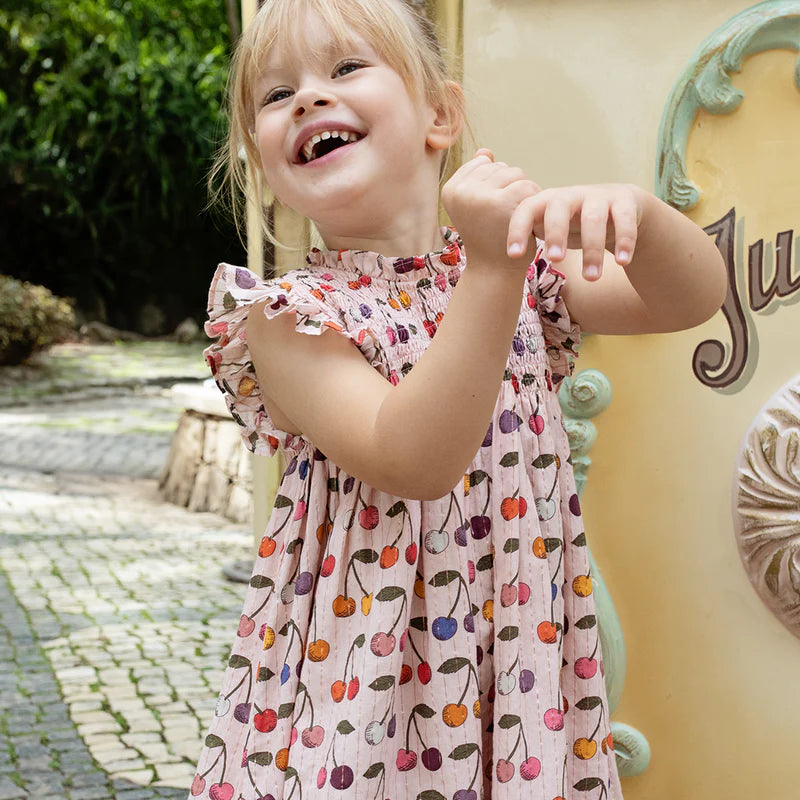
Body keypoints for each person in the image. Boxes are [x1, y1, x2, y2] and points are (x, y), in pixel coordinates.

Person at [190, 1, 727, 798]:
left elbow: (688, 300)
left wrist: (642, 219)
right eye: (275, 95)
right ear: (265, 165)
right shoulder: (288, 319)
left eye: (344, 69)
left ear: (440, 115)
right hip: (366, 681)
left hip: (514, 647)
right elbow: (414, 457)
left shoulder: (512, 267)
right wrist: (490, 271)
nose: (306, 99)